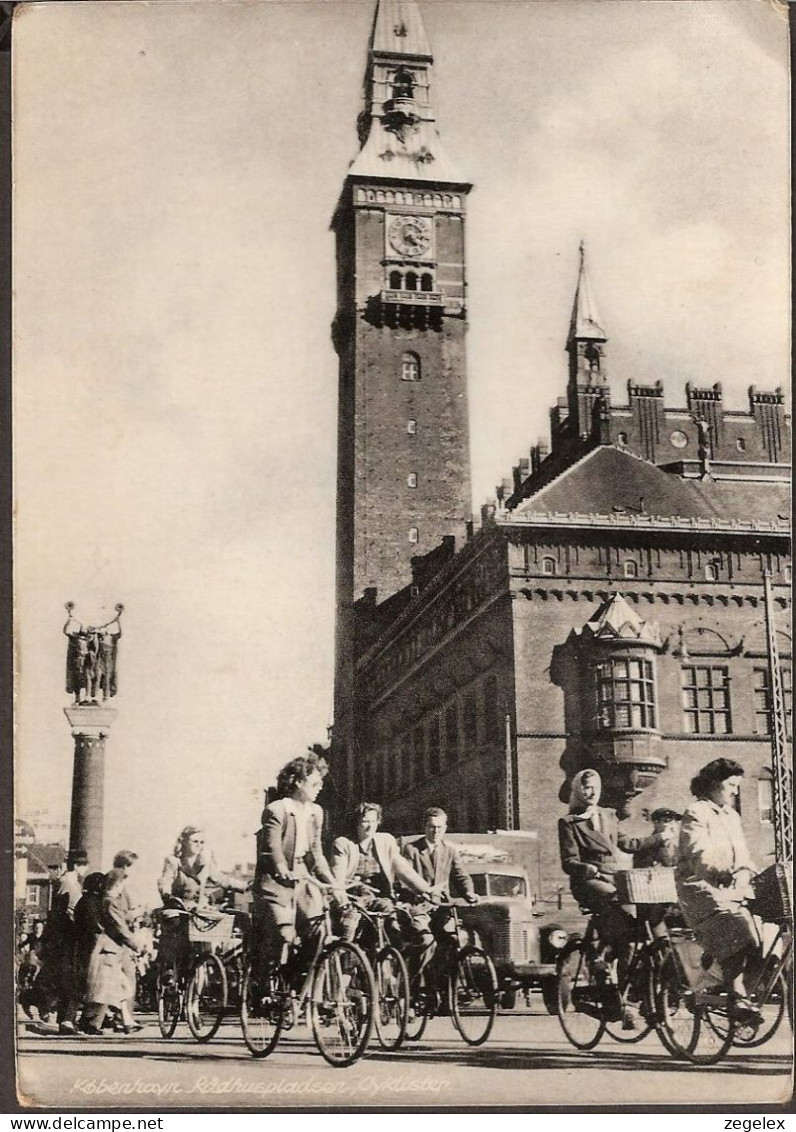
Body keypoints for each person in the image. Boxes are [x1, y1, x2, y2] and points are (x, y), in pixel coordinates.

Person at [558, 768, 656, 1027]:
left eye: (594, 787)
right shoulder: (569, 822)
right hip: (589, 882)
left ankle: (626, 999)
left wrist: (659, 838)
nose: (591, 792)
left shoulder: (609, 816)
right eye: (586, 788)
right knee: (617, 907)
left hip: (614, 879)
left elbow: (629, 844)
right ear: (578, 790)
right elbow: (569, 861)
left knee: (633, 937)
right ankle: (607, 971)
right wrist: (584, 868)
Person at [675, 758, 760, 1022]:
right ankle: (736, 994)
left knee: (762, 937)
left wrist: (754, 874)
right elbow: (697, 851)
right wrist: (716, 872)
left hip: (732, 887)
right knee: (738, 931)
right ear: (714, 783)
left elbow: (743, 855)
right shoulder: (696, 812)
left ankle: (716, 975)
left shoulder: (732, 816)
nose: (735, 791)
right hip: (700, 887)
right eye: (731, 785)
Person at [252, 751, 346, 979]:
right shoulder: (277, 810)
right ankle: (263, 981)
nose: (320, 785)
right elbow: (271, 847)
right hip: (276, 882)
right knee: (284, 934)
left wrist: (334, 884)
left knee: (318, 931)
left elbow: (316, 853)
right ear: (297, 781)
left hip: (303, 879)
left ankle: (297, 978)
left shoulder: (316, 812)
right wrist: (282, 868)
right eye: (314, 781)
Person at [331, 802, 441, 945]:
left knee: (401, 921)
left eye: (374, 821)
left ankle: (396, 954)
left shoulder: (385, 841)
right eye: (365, 822)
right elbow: (338, 875)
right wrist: (340, 897)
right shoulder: (343, 844)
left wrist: (425, 889)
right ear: (357, 823)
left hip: (382, 896)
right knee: (348, 933)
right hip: (355, 897)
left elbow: (403, 868)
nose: (370, 826)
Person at [400, 807, 478, 987]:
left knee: (458, 939)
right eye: (431, 827)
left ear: (445, 828)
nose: (435, 831)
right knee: (426, 941)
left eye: (440, 827)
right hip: (418, 908)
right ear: (424, 827)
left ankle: (444, 987)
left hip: (441, 909)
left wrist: (469, 892)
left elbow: (461, 876)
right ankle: (410, 986)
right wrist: (424, 891)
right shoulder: (411, 850)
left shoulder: (449, 851)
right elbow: (404, 879)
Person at [81, 852, 144, 1035]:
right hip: (113, 944)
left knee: (114, 985)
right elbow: (117, 921)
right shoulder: (115, 887)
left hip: (116, 944)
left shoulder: (118, 887)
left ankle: (121, 1019)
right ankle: (98, 1020)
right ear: (125, 866)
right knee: (109, 985)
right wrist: (135, 941)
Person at [158, 826, 243, 907]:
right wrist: (167, 895)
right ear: (184, 842)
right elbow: (165, 881)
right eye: (195, 841)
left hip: (200, 907)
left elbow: (221, 879)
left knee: (228, 919)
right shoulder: (173, 861)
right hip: (179, 907)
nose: (198, 845)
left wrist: (245, 886)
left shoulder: (205, 862)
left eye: (201, 842)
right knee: (174, 918)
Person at [72, 872, 106, 1029]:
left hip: (83, 946)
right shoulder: (92, 902)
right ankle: (89, 1021)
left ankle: (89, 1019)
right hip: (91, 948)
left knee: (88, 984)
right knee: (94, 984)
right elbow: (94, 925)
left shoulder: (84, 901)